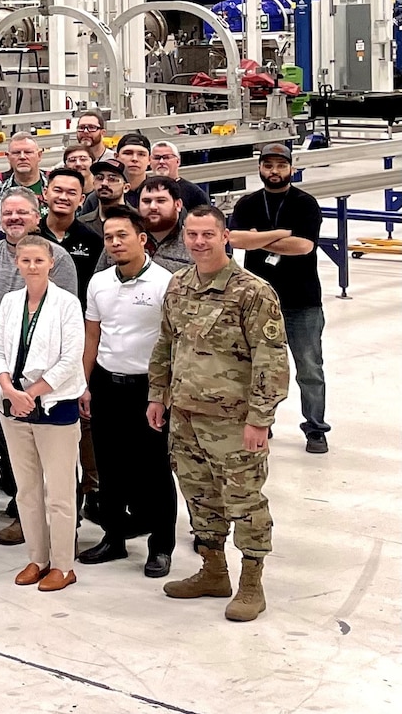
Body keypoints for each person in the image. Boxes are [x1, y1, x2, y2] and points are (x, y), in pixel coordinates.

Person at [150, 205, 289, 622]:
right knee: (199, 496)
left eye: (208, 234)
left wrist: (260, 418)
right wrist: (158, 395)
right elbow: (166, 345)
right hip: (186, 415)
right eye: (192, 234)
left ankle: (251, 582)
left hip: (234, 420)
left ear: (225, 236)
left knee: (244, 499)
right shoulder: (178, 285)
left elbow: (271, 359)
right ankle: (213, 571)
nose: (198, 242)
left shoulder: (253, 291)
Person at [0, 187, 79, 541]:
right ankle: (22, 513)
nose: (14, 218)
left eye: (22, 213)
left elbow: (67, 316)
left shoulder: (57, 257)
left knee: (54, 459)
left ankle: (61, 526)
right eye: (8, 213)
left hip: (48, 382)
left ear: (37, 215)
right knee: (12, 452)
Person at [77, 205, 178, 578]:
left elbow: (174, 343)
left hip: (148, 389)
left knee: (154, 471)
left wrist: (162, 394)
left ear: (142, 239)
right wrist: (84, 384)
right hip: (106, 384)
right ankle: (114, 538)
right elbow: (93, 335)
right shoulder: (100, 282)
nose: (115, 243)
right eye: (109, 237)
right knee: (110, 467)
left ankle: (161, 547)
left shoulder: (166, 283)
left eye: (123, 236)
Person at [0, 234, 87, 592]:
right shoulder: (10, 301)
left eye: (38, 260)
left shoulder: (66, 303)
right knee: (27, 490)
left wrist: (31, 393)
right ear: (17, 262)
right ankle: (37, 558)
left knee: (59, 492)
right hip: (12, 404)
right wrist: (10, 390)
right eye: (25, 260)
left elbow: (69, 358)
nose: (32, 266)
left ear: (52, 263)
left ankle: (64, 564)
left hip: (54, 405)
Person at [228, 143, 328, 453]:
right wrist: (281, 234)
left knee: (309, 368)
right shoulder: (248, 203)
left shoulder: (305, 203)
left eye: (280, 165)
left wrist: (259, 239)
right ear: (259, 168)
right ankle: (261, 422)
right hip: (258, 300)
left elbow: (303, 247)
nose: (274, 171)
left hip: (302, 301)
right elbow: (234, 238)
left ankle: (315, 429)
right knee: (256, 367)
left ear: (291, 168)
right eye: (268, 165)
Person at [38, 167, 102, 295]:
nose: (63, 197)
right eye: (57, 190)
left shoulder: (93, 240)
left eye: (71, 193)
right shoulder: (31, 235)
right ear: (45, 193)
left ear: (81, 199)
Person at [125, 176, 192, 272]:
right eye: (146, 201)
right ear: (138, 206)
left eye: (161, 201)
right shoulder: (121, 240)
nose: (153, 207)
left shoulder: (194, 243)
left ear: (178, 205)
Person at [148, 141, 211, 211]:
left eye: (166, 157)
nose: (161, 162)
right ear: (150, 161)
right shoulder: (144, 190)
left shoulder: (195, 194)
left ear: (178, 161)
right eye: (157, 158)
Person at [79, 158, 128, 229]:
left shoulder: (138, 220)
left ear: (126, 187)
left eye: (112, 179)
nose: (104, 183)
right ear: (93, 183)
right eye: (99, 178)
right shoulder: (81, 225)